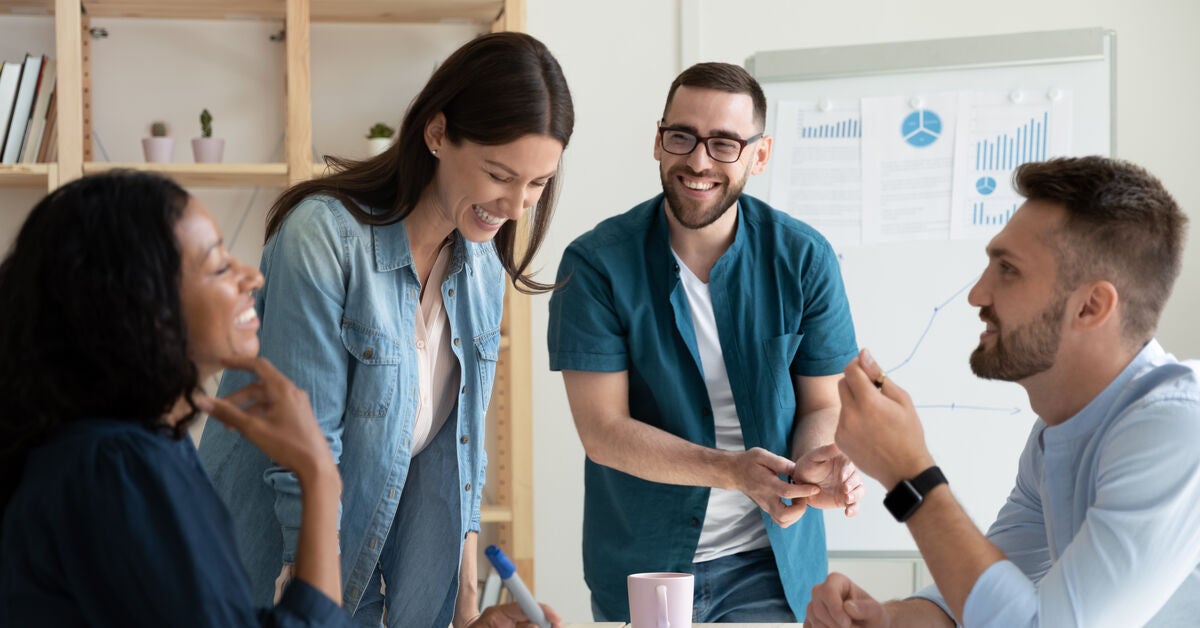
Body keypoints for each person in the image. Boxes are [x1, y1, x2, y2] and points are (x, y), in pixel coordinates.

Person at [197, 31, 571, 628]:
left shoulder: (481, 265)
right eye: (501, 174)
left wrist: (466, 610)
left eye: (538, 183)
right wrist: (310, 607)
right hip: (273, 579)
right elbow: (303, 453)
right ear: (438, 134)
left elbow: (462, 455)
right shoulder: (323, 238)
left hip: (373, 575)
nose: (516, 205)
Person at [806, 156, 1200, 627]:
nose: (977, 294)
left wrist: (908, 472)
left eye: (1008, 270)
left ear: (1091, 306)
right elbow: (982, 603)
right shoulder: (1054, 435)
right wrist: (884, 619)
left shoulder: (1178, 428)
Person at [547, 62, 865, 623]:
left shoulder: (804, 258)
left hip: (769, 562)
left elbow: (823, 402)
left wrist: (810, 467)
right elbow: (603, 433)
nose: (698, 160)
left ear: (759, 156)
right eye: (682, 137)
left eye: (724, 143)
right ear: (658, 141)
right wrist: (733, 471)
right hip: (643, 564)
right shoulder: (596, 264)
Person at [0, 170, 350, 627]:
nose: (253, 279)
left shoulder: (138, 449)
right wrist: (320, 477)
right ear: (144, 308)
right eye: (220, 265)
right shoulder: (118, 467)